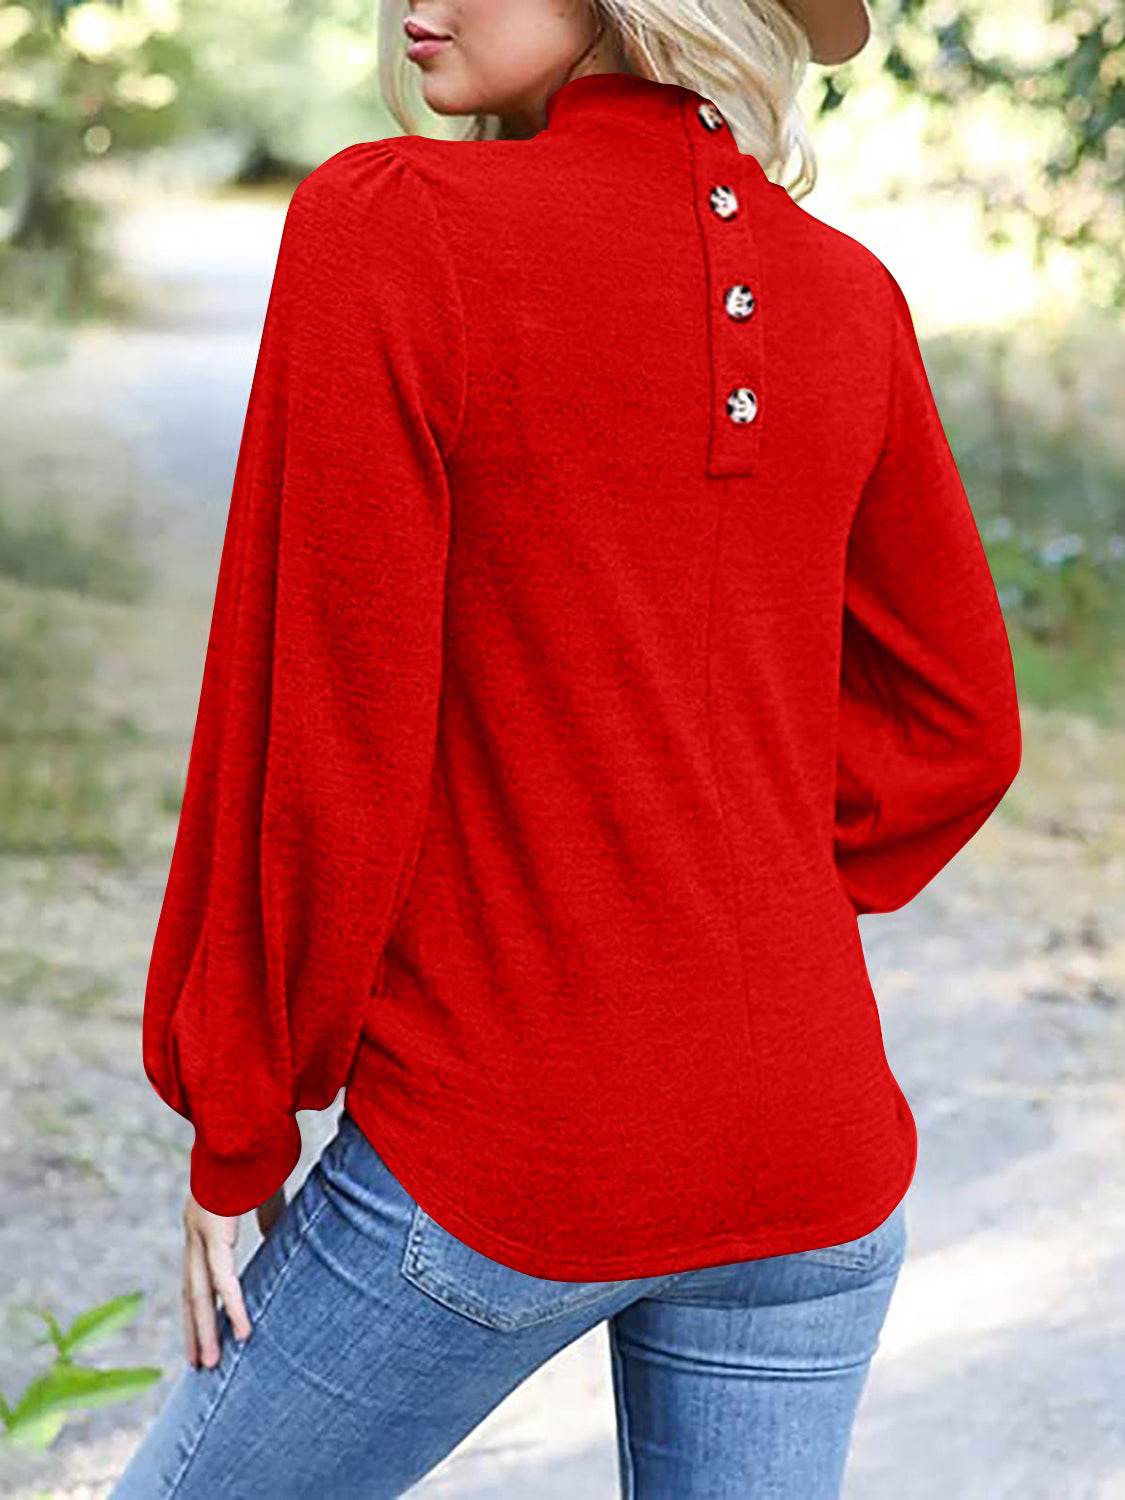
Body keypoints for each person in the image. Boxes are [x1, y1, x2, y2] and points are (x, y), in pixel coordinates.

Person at [113, 0, 1022, 1495]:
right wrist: (739, 881)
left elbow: (323, 727)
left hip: (509, 1149)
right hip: (817, 1157)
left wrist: (239, 1113)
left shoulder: (398, 223)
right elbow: (958, 727)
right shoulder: (851, 294)